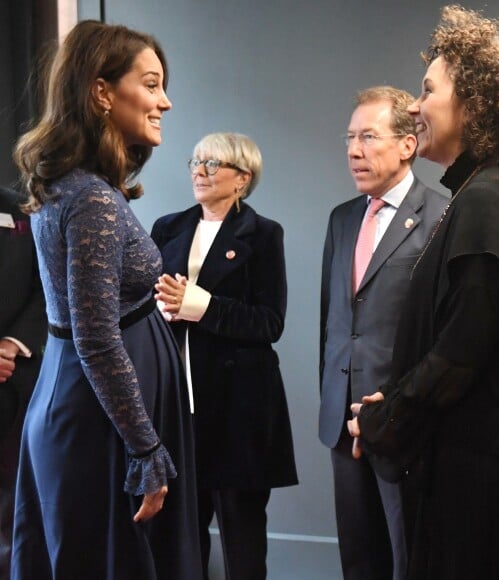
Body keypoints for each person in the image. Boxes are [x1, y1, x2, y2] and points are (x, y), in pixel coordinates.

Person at [349, 6, 499, 580]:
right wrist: (391, 399)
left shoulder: (488, 202)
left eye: (428, 90)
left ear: (472, 104)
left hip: (479, 494)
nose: (415, 106)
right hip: (472, 473)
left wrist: (384, 418)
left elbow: (458, 356)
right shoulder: (482, 196)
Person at [11, 20, 202, 579]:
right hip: (102, 423)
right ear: (101, 92)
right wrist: (144, 448)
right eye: (150, 84)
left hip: (92, 409)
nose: (164, 101)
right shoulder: (91, 198)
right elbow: (95, 337)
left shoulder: (81, 186)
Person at [151, 132, 298, 580]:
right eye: (196, 161)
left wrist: (201, 306)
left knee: (242, 538)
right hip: (177, 407)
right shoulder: (166, 228)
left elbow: (269, 322)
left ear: (242, 178)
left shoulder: (264, 234)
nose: (199, 171)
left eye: (213, 164)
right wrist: (160, 309)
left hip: (238, 409)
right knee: (177, 536)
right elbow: (147, 301)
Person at [318, 86, 448, 580]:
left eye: (369, 137)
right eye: (350, 138)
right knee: (358, 558)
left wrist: (404, 409)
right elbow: (334, 320)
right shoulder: (342, 218)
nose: (354, 150)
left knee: (407, 558)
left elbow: (441, 332)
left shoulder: (441, 217)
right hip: (340, 418)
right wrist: (334, 393)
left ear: (407, 144)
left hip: (401, 422)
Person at [0, 186, 46, 579]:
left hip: (16, 380)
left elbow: (46, 285)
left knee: (15, 507)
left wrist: (10, 345)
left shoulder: (23, 208)